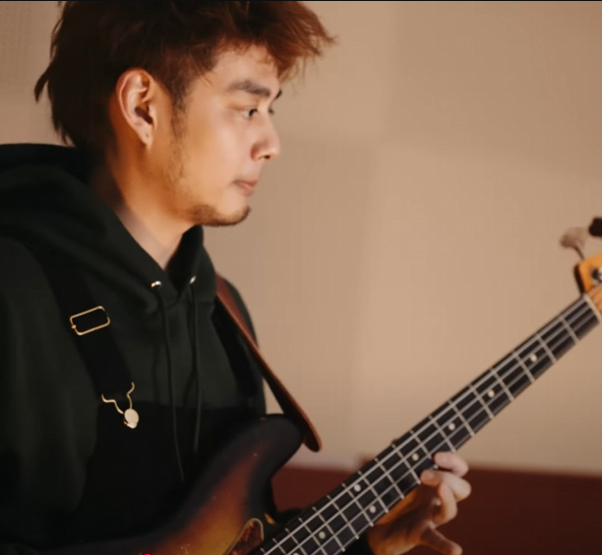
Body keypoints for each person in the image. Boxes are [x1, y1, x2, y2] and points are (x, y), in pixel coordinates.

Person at [0, 2, 471, 555]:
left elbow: (238, 539)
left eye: (270, 110)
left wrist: (367, 544)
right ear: (143, 106)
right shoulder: (14, 292)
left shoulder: (225, 311)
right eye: (247, 109)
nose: (271, 142)